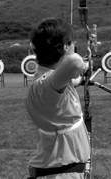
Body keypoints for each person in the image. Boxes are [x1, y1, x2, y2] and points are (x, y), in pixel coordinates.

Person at [26, 18, 90, 178]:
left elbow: (69, 80)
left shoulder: (50, 83)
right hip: (59, 174)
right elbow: (74, 62)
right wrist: (85, 66)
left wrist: (80, 79)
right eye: (71, 43)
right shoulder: (46, 86)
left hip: (62, 171)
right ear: (65, 46)